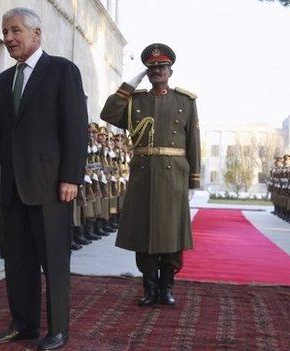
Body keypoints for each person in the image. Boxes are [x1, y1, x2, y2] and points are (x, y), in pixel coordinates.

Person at [0, 8, 88, 350]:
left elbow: (75, 128)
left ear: (37, 34)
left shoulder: (62, 71)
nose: (8, 38)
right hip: (11, 186)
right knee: (18, 260)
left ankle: (58, 330)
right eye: (4, 31)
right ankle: (23, 323)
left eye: (15, 31)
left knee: (53, 261)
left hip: (50, 185)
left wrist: (71, 176)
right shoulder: (5, 80)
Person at [101, 43, 201, 306]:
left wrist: (194, 180)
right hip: (143, 176)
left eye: (162, 67)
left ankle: (167, 287)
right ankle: (149, 287)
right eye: (152, 67)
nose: (157, 71)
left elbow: (193, 140)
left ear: (170, 69)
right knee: (143, 234)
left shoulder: (185, 101)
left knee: (171, 234)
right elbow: (108, 113)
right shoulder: (136, 100)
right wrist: (130, 84)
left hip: (174, 178)